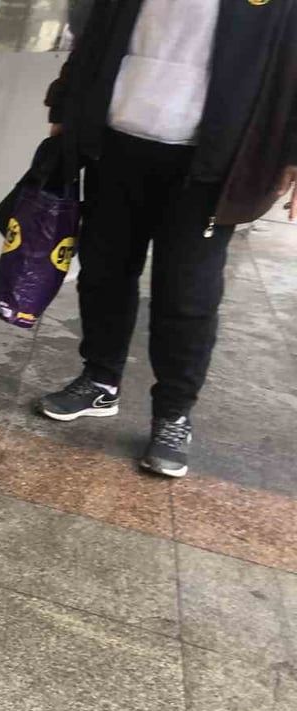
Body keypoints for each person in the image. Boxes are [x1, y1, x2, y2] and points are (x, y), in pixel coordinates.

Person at [38, 0, 297, 477]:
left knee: (187, 295)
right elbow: (93, 39)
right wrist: (65, 104)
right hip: (116, 146)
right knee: (104, 272)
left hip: (208, 164)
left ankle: (173, 413)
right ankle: (100, 379)